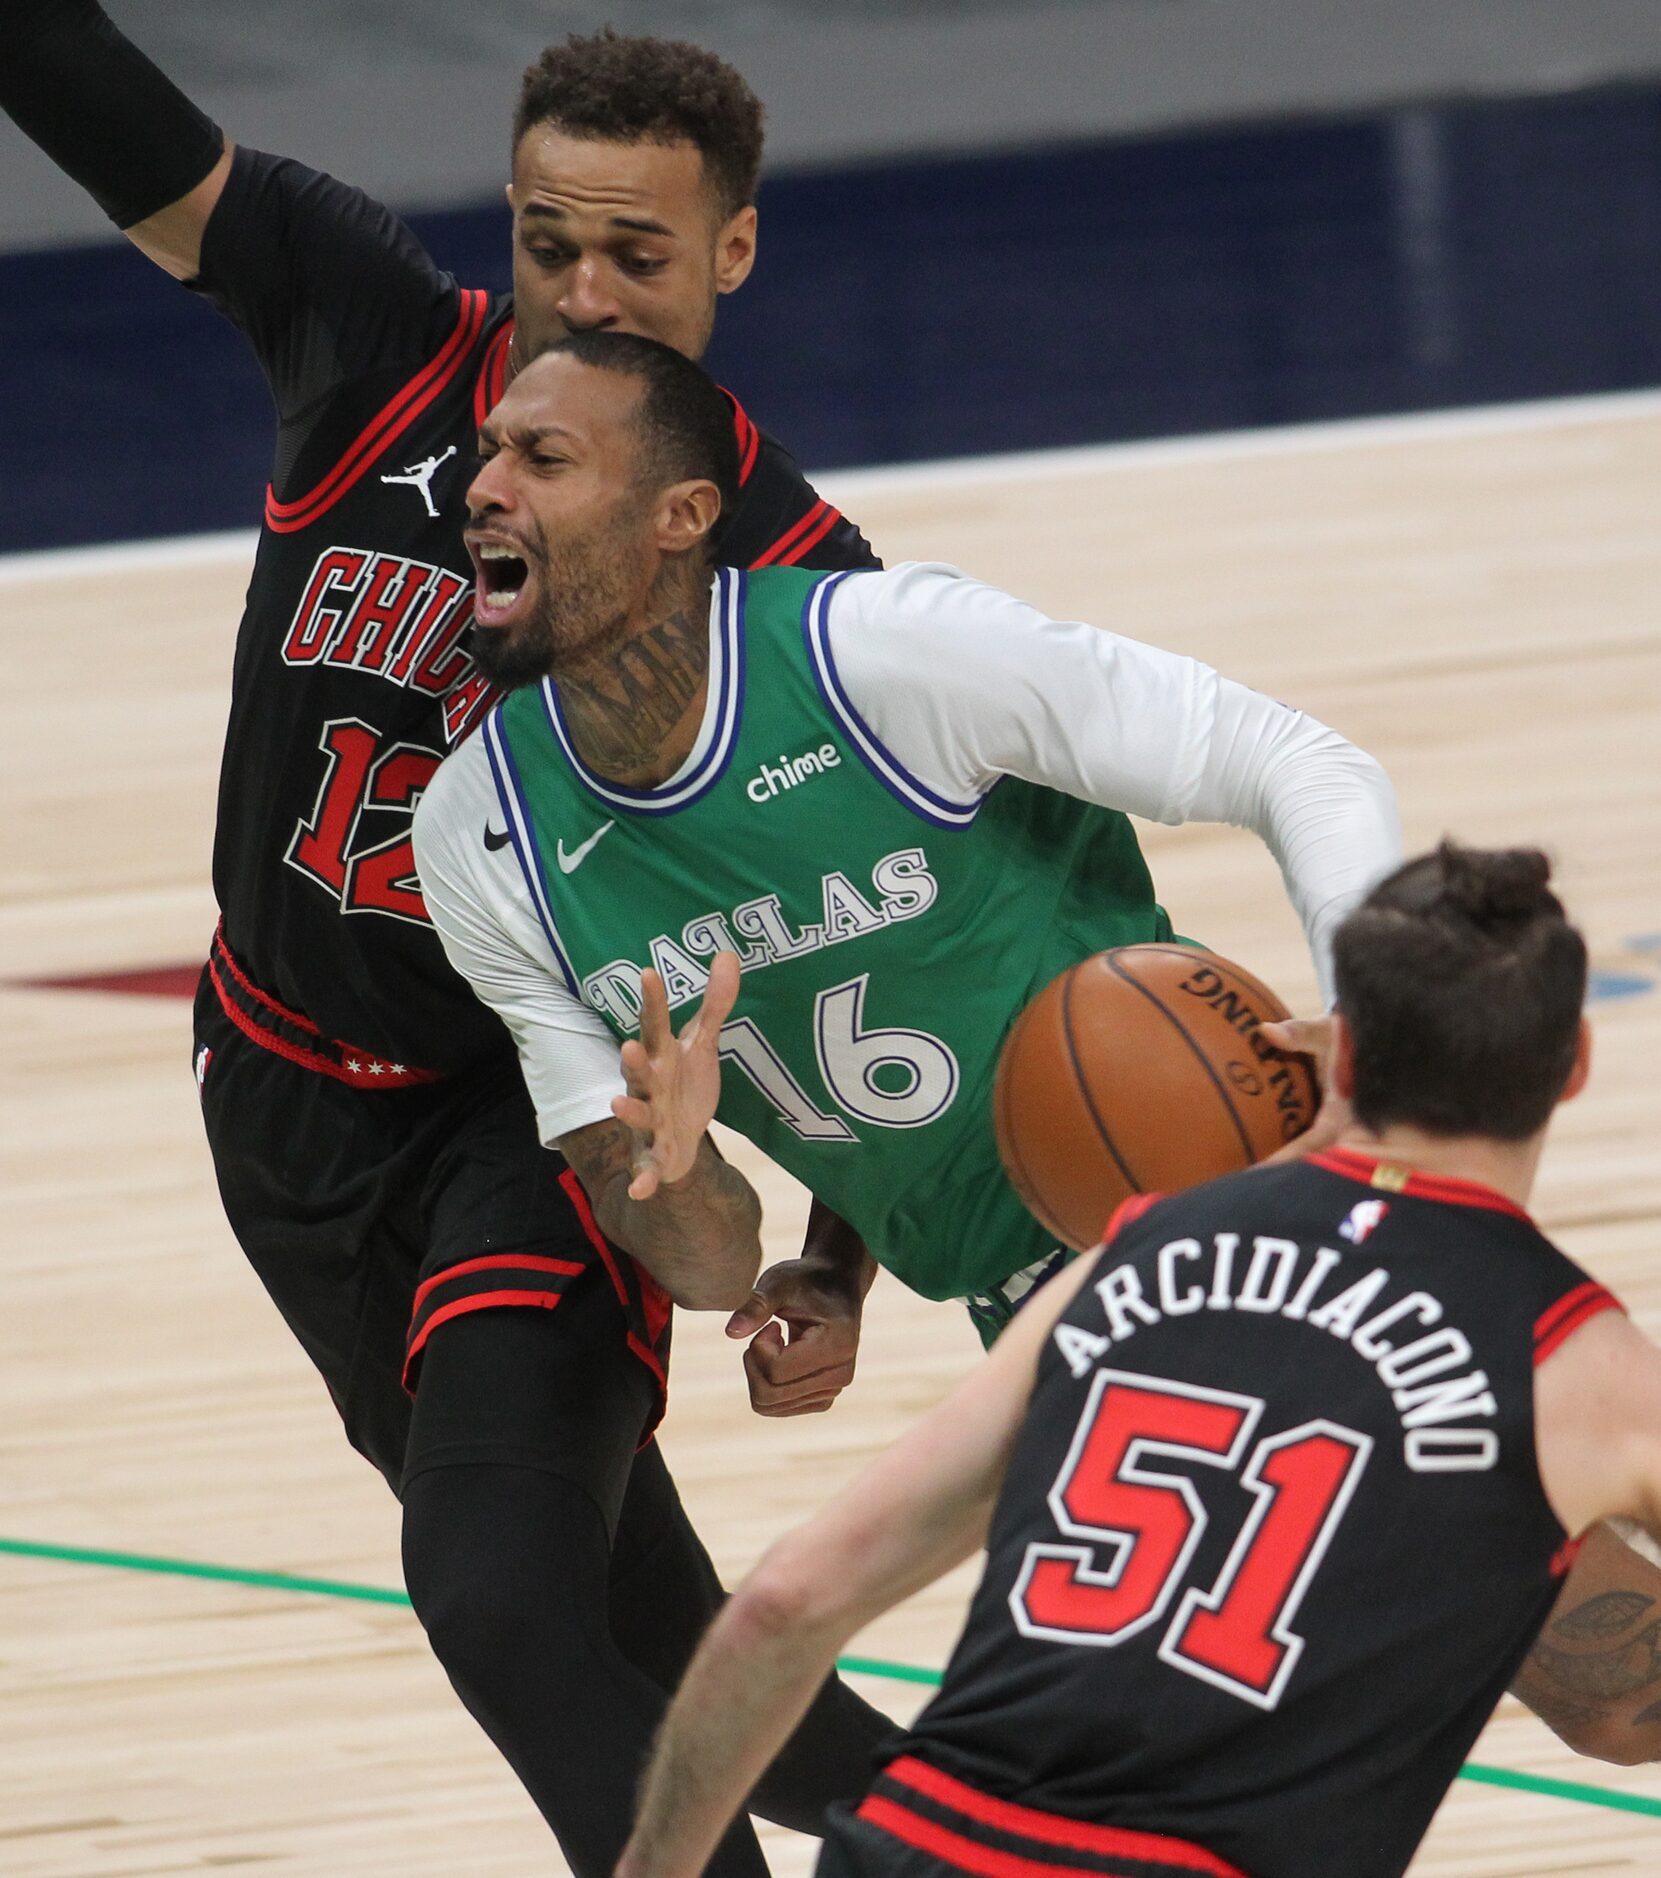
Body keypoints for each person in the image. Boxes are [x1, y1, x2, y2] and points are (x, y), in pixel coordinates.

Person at [0, 11, 896, 1871]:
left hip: (538, 1124)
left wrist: (841, 1257)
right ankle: (1042, 1825)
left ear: (731, 249)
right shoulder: (381, 339)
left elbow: (894, 941)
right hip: (272, 1091)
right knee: (643, 1634)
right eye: (548, 241)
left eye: (637, 255)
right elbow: (96, 99)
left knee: (496, 1600)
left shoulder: (794, 576)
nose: (584, 292)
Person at [618, 842, 1661, 1878]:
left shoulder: (1130, 1258)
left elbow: (780, 1606)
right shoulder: (1586, 1368)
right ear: (1571, 1064)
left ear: (1338, 1055)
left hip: (914, 1848)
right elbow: (1622, 1714)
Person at [414, 330, 1403, 1349]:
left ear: (680, 515)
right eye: (488, 451)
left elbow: (1300, 762)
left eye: (541, 458)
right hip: (1024, 1303)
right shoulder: (478, 838)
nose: (483, 486)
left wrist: (1371, 1022)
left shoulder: (882, 654)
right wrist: (678, 1167)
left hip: (1242, 1188)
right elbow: (712, 1273)